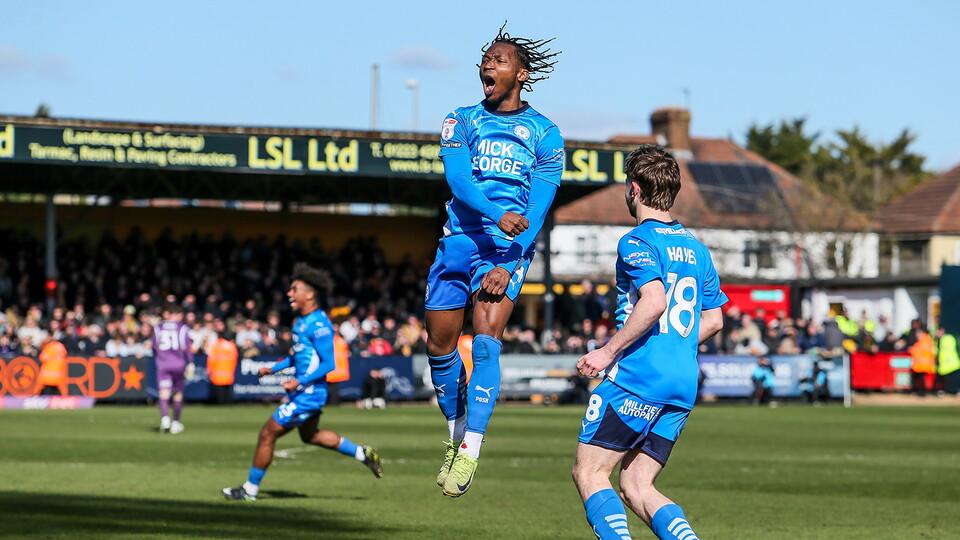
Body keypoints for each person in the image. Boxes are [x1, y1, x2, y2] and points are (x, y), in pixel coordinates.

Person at [424, 23, 563, 498]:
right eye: (485, 59)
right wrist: (495, 213)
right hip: (458, 240)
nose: (488, 65)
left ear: (521, 74)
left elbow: (538, 207)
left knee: (485, 342)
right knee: (439, 345)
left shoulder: (545, 133)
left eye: (499, 60)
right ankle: (457, 432)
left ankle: (470, 449)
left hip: (503, 250)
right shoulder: (460, 120)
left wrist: (511, 259)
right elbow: (459, 181)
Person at [571, 144, 726, 540]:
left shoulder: (637, 241)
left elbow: (654, 302)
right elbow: (714, 320)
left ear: (635, 189)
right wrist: (675, 344)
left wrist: (608, 351)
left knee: (590, 472)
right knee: (636, 485)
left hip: (640, 375)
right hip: (682, 381)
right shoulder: (697, 249)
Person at [222, 263, 382, 502]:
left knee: (267, 434)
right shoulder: (301, 322)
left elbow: (329, 364)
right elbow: (297, 356)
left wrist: (299, 380)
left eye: (294, 289)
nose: (289, 294)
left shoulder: (319, 324)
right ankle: (362, 453)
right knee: (310, 436)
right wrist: (273, 368)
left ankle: (250, 490)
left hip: (310, 393)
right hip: (305, 391)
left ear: (309, 294)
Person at [151, 303, 194, 434]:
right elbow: (187, 347)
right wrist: (190, 362)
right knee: (178, 393)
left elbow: (154, 347)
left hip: (163, 364)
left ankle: (165, 420)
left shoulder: (158, 328)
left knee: (163, 393)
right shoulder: (183, 328)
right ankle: (175, 423)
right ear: (178, 315)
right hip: (178, 364)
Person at [207, 331, 239, 405]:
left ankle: (221, 403)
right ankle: (228, 402)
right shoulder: (232, 346)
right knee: (227, 388)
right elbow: (235, 358)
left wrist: (210, 368)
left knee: (220, 389)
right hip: (229, 371)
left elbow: (212, 358)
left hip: (218, 371)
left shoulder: (217, 345)